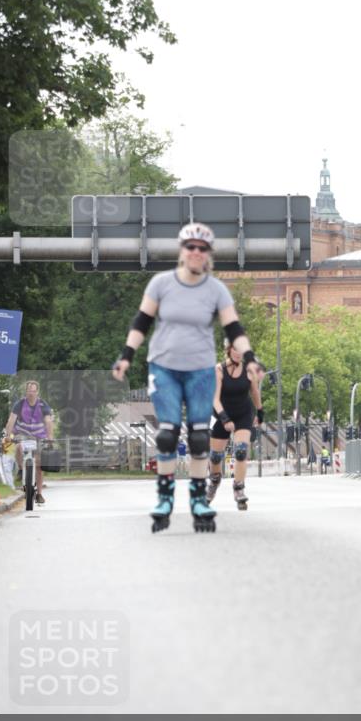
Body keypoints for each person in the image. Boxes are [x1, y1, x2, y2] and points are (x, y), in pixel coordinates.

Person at [111, 222, 261, 532]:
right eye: (190, 247)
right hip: (164, 367)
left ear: (208, 255)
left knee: (197, 436)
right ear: (182, 251)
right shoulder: (161, 284)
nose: (195, 252)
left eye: (202, 248)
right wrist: (127, 355)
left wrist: (250, 358)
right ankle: (165, 498)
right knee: (167, 433)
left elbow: (234, 328)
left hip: (201, 370)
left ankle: (197, 500)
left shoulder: (216, 289)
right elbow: (142, 320)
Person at [206, 339, 264, 509]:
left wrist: (260, 411)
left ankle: (239, 488)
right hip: (222, 414)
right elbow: (215, 399)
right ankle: (214, 482)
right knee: (216, 456)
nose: (239, 353)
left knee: (241, 451)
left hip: (243, 414)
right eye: (236, 350)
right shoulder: (219, 370)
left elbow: (254, 392)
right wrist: (224, 418)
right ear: (229, 350)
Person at [3, 379, 54, 504]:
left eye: (33, 391)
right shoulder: (19, 404)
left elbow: (48, 421)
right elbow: (11, 420)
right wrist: (8, 435)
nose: (31, 393)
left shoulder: (43, 405)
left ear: (37, 392)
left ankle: (39, 494)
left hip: (39, 436)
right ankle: (21, 468)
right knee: (19, 447)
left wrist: (50, 438)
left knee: (39, 466)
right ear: (25, 392)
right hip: (23, 434)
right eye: (28, 391)